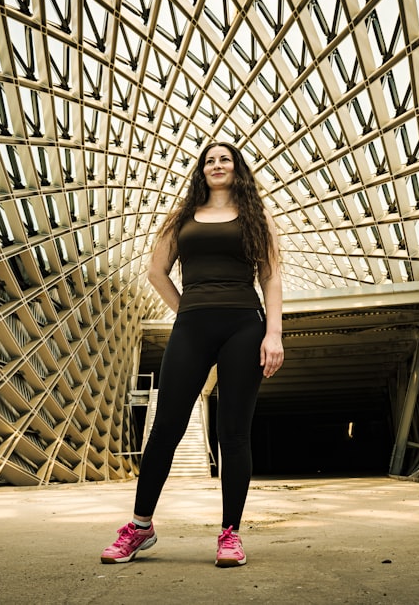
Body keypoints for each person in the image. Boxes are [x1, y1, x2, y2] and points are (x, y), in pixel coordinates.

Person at [100, 141, 284, 568]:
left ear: (238, 169)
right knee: (165, 428)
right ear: (201, 171)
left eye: (225, 159)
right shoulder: (181, 217)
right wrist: (188, 311)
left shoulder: (258, 218)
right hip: (192, 327)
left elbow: (271, 276)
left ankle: (230, 535)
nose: (216, 165)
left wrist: (273, 334)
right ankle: (140, 527)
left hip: (244, 325)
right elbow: (155, 271)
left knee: (233, 432)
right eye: (209, 161)